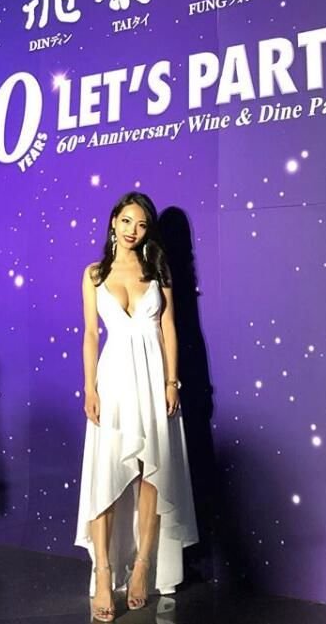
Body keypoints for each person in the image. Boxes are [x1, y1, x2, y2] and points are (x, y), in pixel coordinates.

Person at [75, 191, 198, 622]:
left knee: (151, 474)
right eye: (127, 221)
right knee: (105, 476)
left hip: (152, 380)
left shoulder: (158, 270)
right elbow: (91, 335)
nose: (133, 230)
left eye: (142, 224)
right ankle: (104, 573)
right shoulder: (94, 274)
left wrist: (171, 381)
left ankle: (144, 565)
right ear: (114, 221)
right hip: (112, 382)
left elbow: (169, 328)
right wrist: (89, 388)